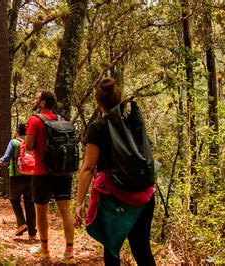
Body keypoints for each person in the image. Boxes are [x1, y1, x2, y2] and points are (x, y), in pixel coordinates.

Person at [74, 77, 156, 265]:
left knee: (111, 247)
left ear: (98, 102)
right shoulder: (134, 123)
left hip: (114, 197)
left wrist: (79, 203)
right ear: (120, 99)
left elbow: (88, 168)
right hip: (145, 195)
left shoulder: (97, 128)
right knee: (142, 248)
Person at [25, 90, 76, 264]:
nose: (34, 100)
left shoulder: (34, 120)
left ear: (43, 103)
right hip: (63, 172)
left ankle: (45, 250)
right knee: (65, 212)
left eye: (36, 98)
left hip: (42, 173)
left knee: (41, 212)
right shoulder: (62, 121)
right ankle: (69, 254)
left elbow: (29, 146)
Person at [0, 123, 37, 240]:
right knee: (30, 203)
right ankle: (32, 232)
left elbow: (6, 159)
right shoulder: (33, 142)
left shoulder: (14, 142)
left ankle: (22, 223)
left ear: (17, 132)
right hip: (31, 176)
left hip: (16, 177)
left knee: (15, 200)